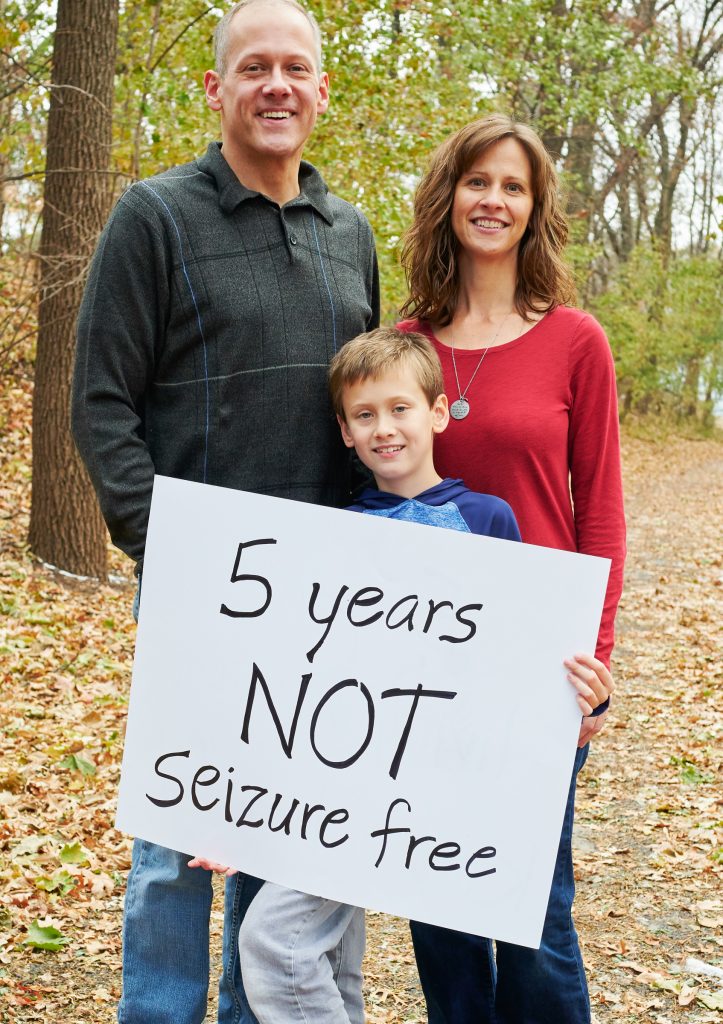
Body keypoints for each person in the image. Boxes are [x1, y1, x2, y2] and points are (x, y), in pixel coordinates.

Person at [71, 1, 379, 1021]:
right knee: (175, 850)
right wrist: (170, 550)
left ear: (323, 90)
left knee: (282, 839)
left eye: (297, 67)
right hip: (205, 593)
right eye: (255, 68)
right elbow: (102, 404)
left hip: (324, 601)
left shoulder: (351, 233)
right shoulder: (153, 217)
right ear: (218, 88)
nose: (277, 84)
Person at [191, 326, 612, 1023]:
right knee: (308, 946)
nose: (383, 429)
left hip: (460, 777)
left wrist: (580, 687)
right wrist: (241, 814)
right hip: (358, 784)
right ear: (344, 433)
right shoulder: (337, 533)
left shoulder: (487, 519)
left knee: (522, 924)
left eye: (399, 409)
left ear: (437, 414)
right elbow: (307, 687)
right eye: (364, 416)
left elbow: (522, 645)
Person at [397, 113, 626, 1024]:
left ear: (533, 212)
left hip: (534, 661)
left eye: (512, 187)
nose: (492, 200)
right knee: (435, 897)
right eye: (476, 181)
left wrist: (594, 663)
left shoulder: (576, 341)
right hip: (425, 656)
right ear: (447, 196)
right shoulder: (405, 343)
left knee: (532, 907)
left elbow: (599, 510)